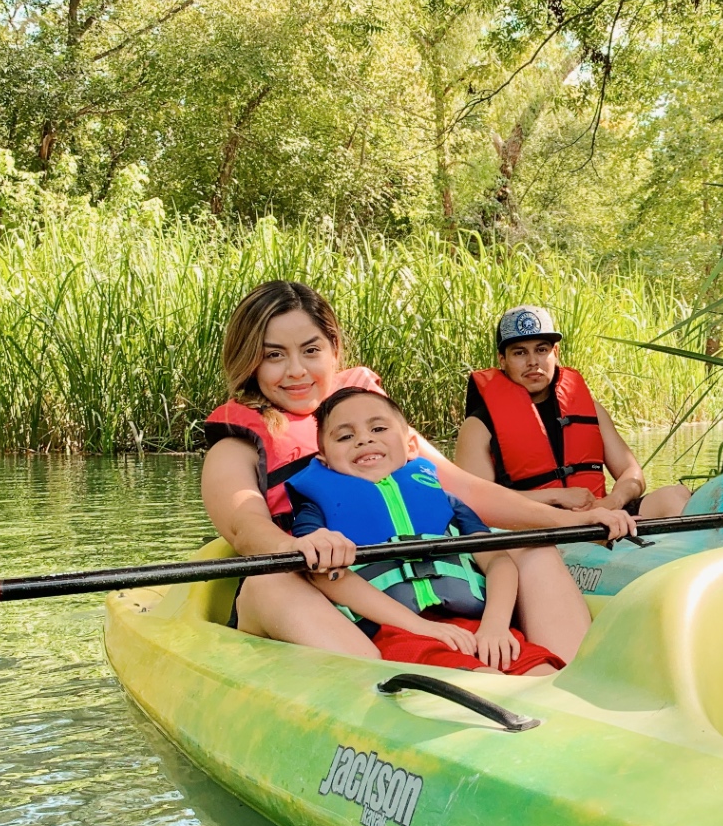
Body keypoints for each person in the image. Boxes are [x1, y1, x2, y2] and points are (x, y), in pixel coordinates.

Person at [199, 281, 632, 662]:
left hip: (418, 577)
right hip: (317, 588)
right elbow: (244, 527)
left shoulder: (375, 424)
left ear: (333, 349)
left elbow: (462, 488)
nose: (296, 370)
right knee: (270, 579)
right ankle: (383, 706)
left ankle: (572, 685)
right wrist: (305, 546)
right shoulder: (237, 445)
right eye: (274, 355)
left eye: (310, 350)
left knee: (534, 548)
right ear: (251, 362)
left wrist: (571, 523)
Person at [286, 386, 561, 676]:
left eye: (378, 428)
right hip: (398, 636)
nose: (364, 439)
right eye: (345, 436)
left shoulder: (446, 502)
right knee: (487, 681)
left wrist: (495, 624)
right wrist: (422, 627)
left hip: (474, 626)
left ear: (411, 446)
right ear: (324, 460)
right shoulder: (315, 514)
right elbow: (328, 578)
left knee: (542, 674)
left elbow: (498, 562)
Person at [455, 305, 691, 519]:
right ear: (502, 360)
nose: (532, 361)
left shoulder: (591, 410)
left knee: (674, 496)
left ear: (555, 354)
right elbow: (478, 501)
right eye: (519, 353)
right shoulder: (479, 425)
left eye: (541, 350)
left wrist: (613, 501)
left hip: (600, 515)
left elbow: (632, 472)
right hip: (538, 525)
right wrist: (555, 496)